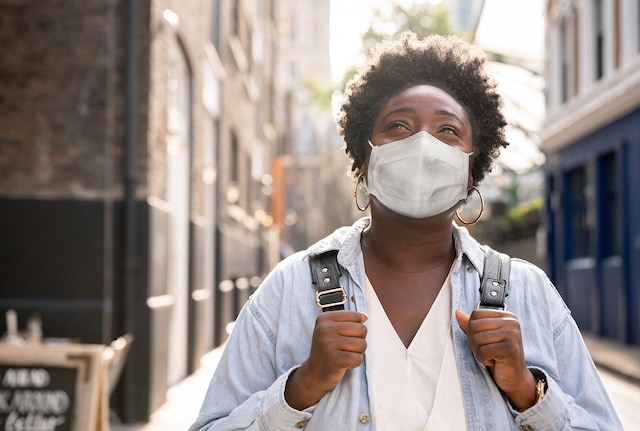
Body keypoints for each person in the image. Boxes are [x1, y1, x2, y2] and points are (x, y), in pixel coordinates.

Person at [190, 32, 622, 430]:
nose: (423, 145)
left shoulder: (528, 293)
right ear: (364, 160)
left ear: (473, 171)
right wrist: (299, 389)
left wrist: (529, 393)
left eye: (448, 130)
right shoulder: (289, 291)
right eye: (399, 125)